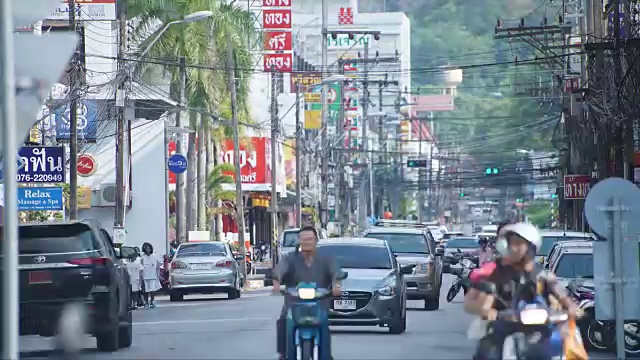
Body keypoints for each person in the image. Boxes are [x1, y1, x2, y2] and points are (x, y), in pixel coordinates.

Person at [464, 221, 578, 359]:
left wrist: (571, 307)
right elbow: (485, 301)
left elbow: (559, 292)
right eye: (511, 243)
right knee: (488, 352)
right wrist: (490, 312)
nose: (513, 248)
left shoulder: (543, 275)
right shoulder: (498, 274)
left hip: (540, 332)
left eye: (518, 243)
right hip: (506, 330)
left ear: (531, 247)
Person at [272, 226, 342, 360]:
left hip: (320, 303)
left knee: (325, 324)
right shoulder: (291, 258)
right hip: (294, 303)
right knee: (283, 320)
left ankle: (326, 355)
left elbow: (336, 273)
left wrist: (336, 286)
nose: (306, 242)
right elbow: (280, 270)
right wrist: (276, 283)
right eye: (303, 239)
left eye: (309, 239)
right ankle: (283, 353)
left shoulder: (326, 258)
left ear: (315, 240)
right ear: (299, 241)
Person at [140, 242, 162, 308]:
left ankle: (152, 301)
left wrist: (158, 275)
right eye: (146, 248)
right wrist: (141, 277)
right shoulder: (142, 258)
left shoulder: (154, 257)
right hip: (145, 276)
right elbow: (141, 268)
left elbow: (158, 267)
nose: (148, 250)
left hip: (153, 276)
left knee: (153, 290)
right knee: (146, 291)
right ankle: (146, 302)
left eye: (149, 248)